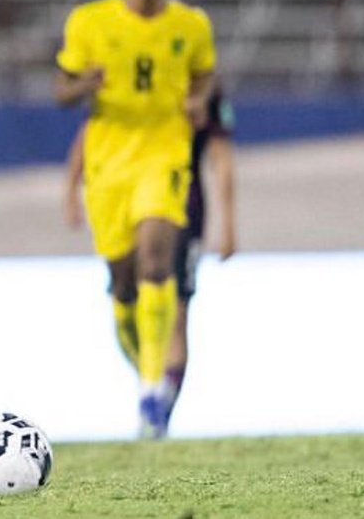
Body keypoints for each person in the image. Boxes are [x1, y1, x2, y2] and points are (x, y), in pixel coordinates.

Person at [53, 0, 215, 438]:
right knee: (125, 283)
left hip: (164, 156)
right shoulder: (90, 22)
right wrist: (84, 84)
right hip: (109, 166)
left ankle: (150, 395)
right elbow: (61, 89)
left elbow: (207, 72)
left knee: (155, 258)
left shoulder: (191, 26)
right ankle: (144, 365)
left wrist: (198, 99)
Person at [63, 86, 236, 433]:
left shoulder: (207, 88)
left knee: (176, 311)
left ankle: (157, 412)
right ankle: (151, 382)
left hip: (182, 209)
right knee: (126, 295)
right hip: (124, 200)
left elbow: (220, 156)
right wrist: (71, 188)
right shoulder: (127, 64)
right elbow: (90, 131)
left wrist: (228, 224)